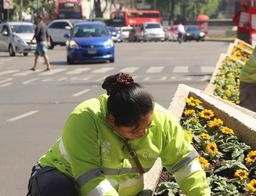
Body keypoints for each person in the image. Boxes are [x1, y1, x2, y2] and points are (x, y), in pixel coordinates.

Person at [27, 72, 210, 196]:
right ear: (112, 120)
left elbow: (185, 166)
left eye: (148, 125)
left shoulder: (162, 121)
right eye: (135, 130)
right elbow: (91, 180)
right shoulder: (84, 119)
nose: (144, 133)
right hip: (63, 178)